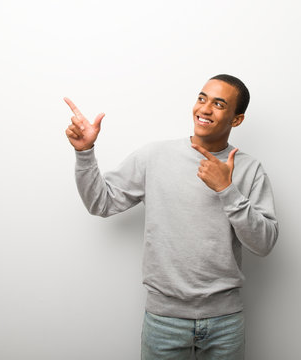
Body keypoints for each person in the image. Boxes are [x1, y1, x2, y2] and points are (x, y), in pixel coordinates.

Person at [64, 74, 278, 360]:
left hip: (225, 320)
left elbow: (264, 244)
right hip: (164, 320)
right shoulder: (154, 156)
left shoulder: (250, 169)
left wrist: (227, 189)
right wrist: (85, 153)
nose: (204, 108)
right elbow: (100, 203)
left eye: (218, 104)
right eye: (201, 98)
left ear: (236, 119)